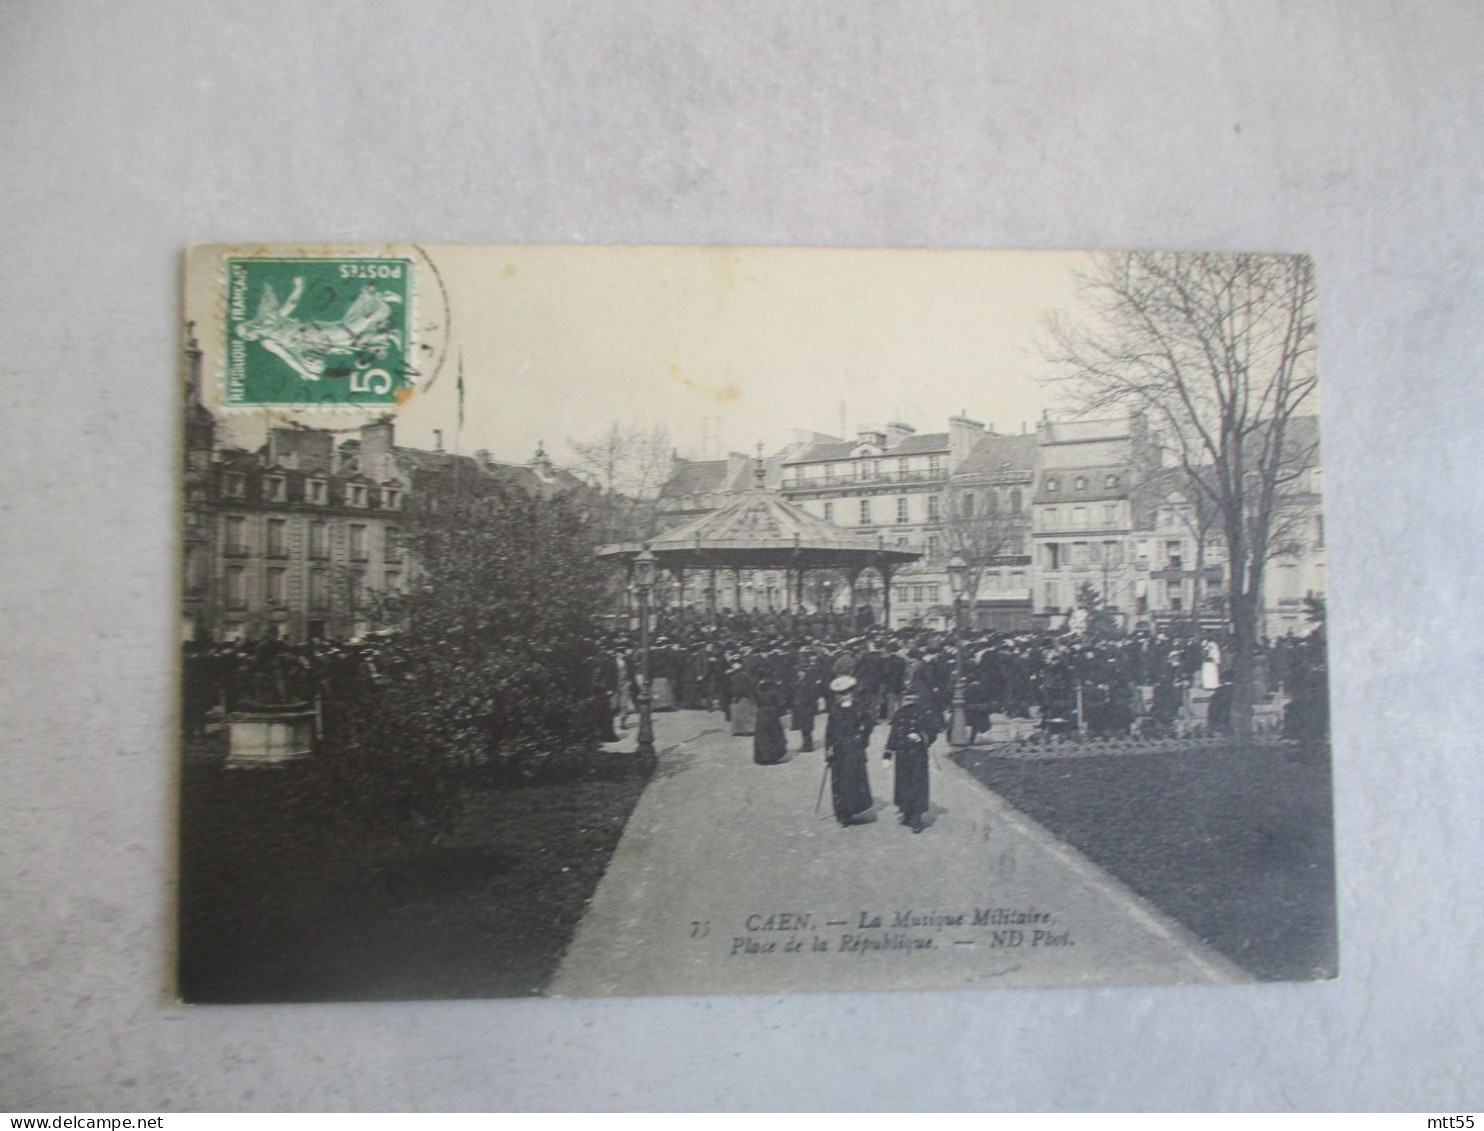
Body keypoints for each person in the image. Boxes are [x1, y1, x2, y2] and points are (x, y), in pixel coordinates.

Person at [824, 676, 876, 826]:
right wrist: (828, 749)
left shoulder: (859, 709)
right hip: (839, 750)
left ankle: (853, 808)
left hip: (853, 750)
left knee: (852, 780)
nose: (844, 696)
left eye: (847, 693)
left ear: (852, 693)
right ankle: (842, 814)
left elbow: (869, 724)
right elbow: (830, 732)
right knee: (838, 782)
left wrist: (862, 737)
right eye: (841, 693)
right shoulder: (834, 711)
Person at [885, 692, 939, 832]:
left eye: (910, 698)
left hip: (918, 756)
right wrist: (887, 754)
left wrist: (920, 736)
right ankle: (907, 813)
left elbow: (933, 731)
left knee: (917, 785)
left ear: (916, 698)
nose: (908, 701)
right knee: (903, 785)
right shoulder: (899, 714)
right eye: (906, 698)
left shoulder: (923, 713)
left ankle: (916, 819)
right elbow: (893, 734)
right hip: (902, 755)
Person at [753, 677, 788, 765]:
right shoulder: (774, 692)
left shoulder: (757, 692)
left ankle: (762, 757)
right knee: (773, 735)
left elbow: (755, 702)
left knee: (762, 736)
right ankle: (773, 756)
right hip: (772, 714)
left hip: (761, 714)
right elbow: (781, 703)